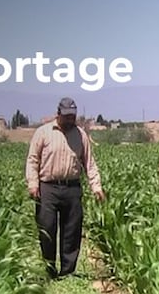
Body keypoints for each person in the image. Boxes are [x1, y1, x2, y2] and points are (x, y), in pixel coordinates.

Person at [25, 97, 106, 279]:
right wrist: (33, 184)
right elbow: (33, 160)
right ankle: (50, 268)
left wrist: (96, 187)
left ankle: (68, 270)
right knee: (47, 228)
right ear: (58, 114)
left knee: (72, 229)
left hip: (72, 187)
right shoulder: (43, 133)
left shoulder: (80, 135)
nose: (70, 120)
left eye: (73, 116)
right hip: (48, 187)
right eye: (67, 116)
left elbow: (89, 163)